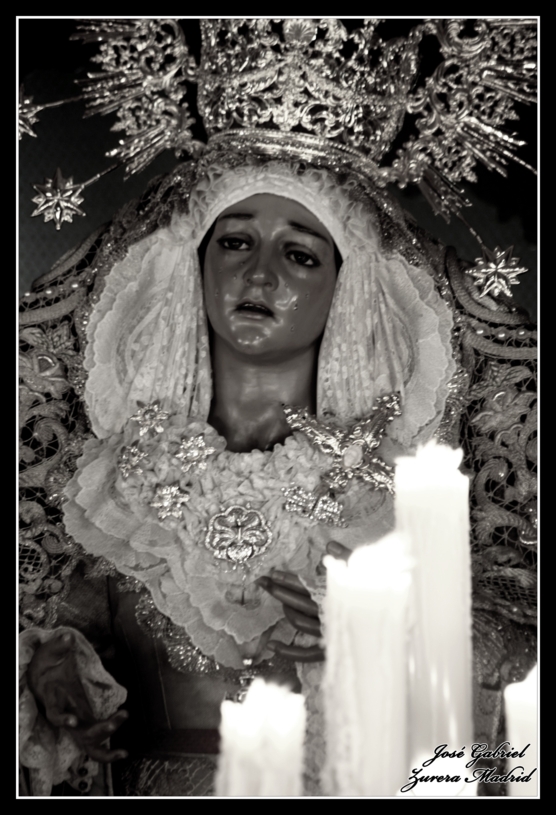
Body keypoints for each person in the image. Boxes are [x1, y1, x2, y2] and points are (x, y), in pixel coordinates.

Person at [19, 19, 537, 797]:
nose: (258, 275)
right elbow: (53, 642)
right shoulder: (109, 485)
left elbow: (507, 704)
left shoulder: (408, 496)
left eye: (298, 253)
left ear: (349, 289)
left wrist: (384, 648)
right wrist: (56, 686)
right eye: (234, 242)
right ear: (193, 264)